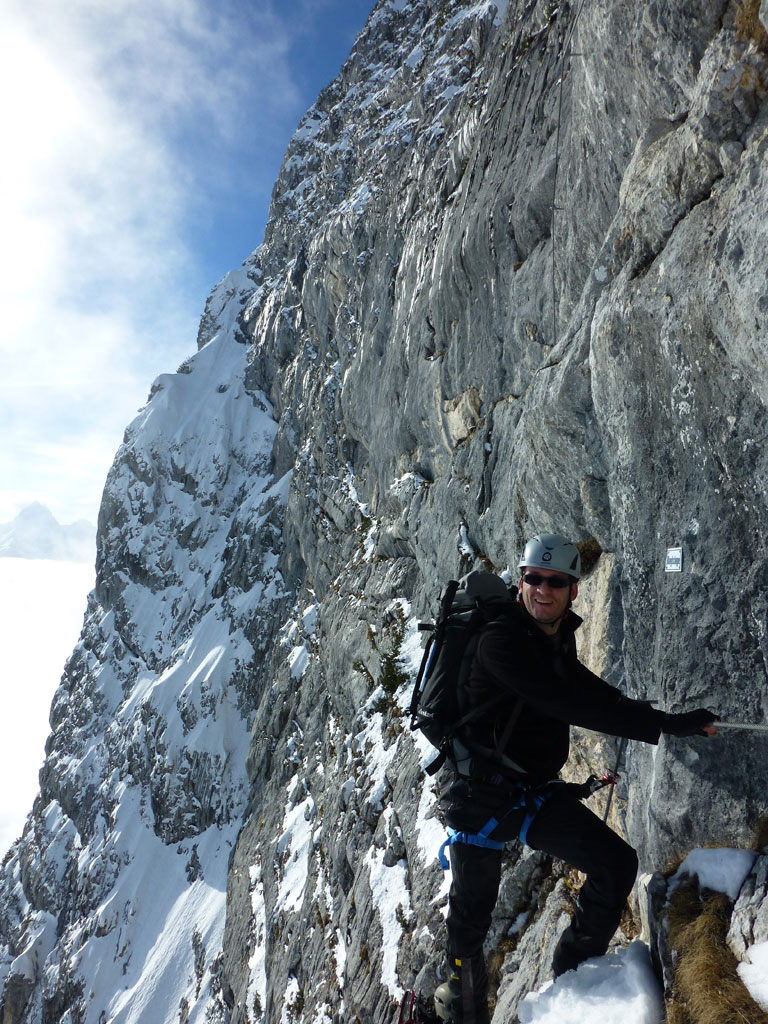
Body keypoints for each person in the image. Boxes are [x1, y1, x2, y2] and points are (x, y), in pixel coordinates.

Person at [433, 534, 719, 1024]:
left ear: (573, 591)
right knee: (469, 928)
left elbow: (585, 688)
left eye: (556, 582)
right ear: (520, 581)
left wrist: (663, 719)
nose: (543, 589)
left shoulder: (552, 638)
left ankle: (571, 984)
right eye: (534, 579)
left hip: (528, 795)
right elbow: (566, 702)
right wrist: (659, 725)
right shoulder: (500, 642)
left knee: (616, 863)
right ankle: (464, 1014)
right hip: (478, 800)